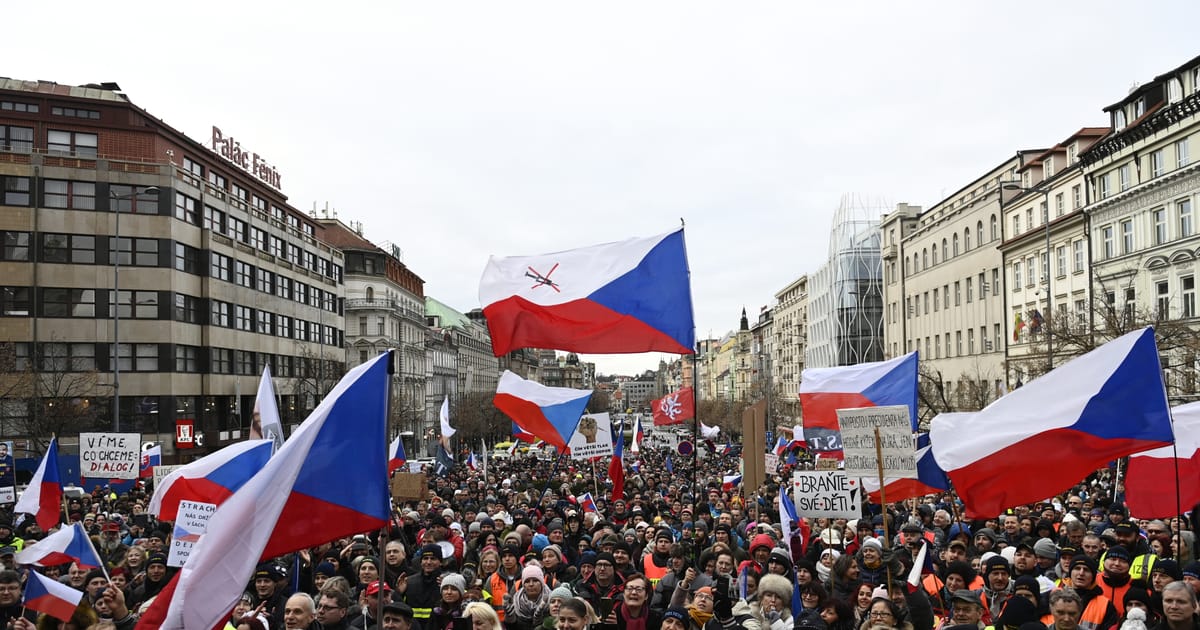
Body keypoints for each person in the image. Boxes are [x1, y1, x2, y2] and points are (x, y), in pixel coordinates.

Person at [505, 564, 551, 630]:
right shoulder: (516, 602)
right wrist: (509, 618)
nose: (531, 584)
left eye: (535, 580)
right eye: (527, 581)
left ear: (542, 583)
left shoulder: (552, 601)